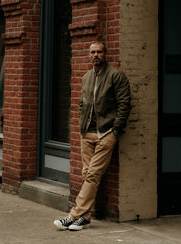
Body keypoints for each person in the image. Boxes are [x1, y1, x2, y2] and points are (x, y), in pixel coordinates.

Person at [54, 41, 132, 231]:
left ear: (105, 54)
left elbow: (125, 103)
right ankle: (85, 217)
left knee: (93, 174)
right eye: (92, 52)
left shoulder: (116, 75)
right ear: (89, 55)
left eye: (99, 52)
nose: (95, 55)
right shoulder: (87, 77)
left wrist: (116, 130)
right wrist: (81, 127)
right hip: (87, 133)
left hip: (106, 133)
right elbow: (82, 104)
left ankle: (73, 215)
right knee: (87, 175)